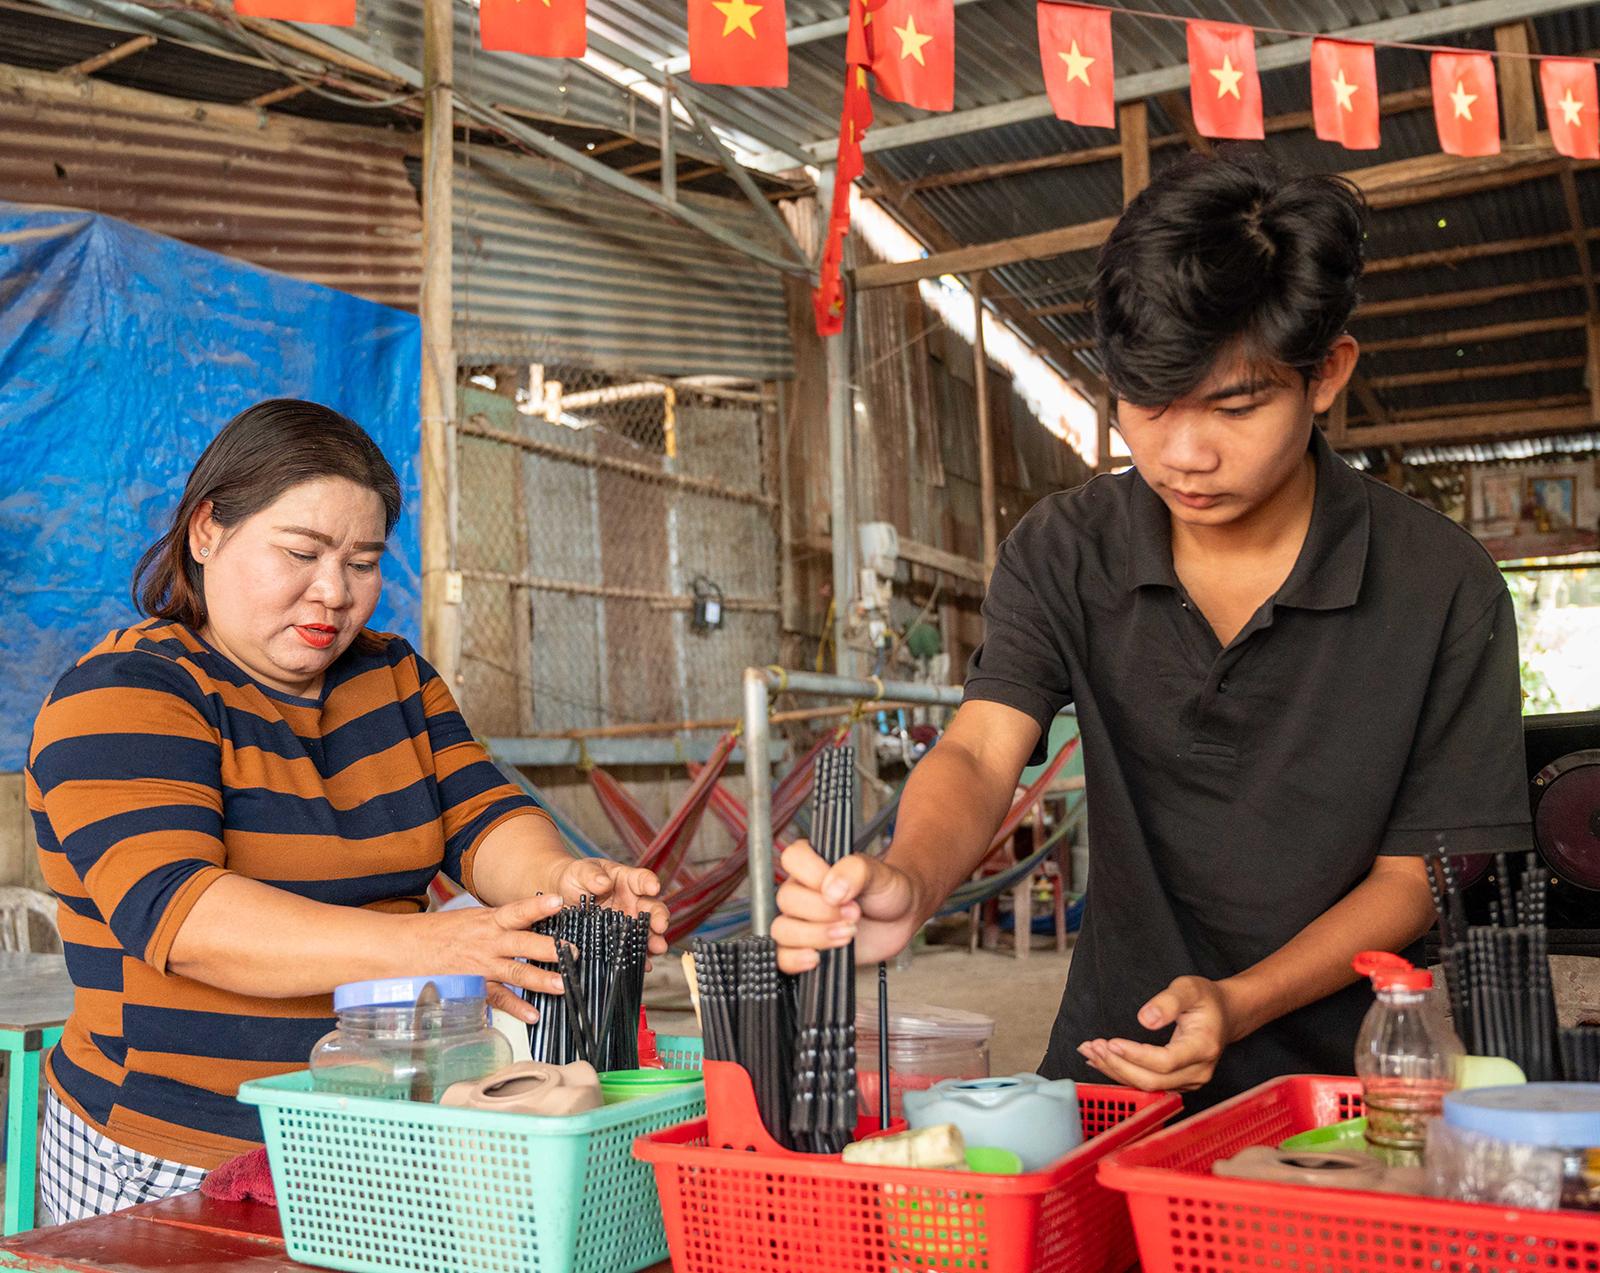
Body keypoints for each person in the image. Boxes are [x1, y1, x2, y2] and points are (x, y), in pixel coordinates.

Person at [771, 150, 1530, 1109]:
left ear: (1326, 374)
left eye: (1235, 405)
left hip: (1346, 1099)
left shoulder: (1442, 585)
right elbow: (979, 749)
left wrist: (1239, 1002)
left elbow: (1416, 875)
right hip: (1112, 1070)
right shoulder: (1066, 549)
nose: (1183, 453)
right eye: (1147, 401)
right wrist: (910, 879)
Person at [26, 400, 667, 1222]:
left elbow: (483, 815)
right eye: (301, 552)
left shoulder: (393, 679)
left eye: (362, 562)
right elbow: (187, 918)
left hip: (374, 1128)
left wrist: (562, 879)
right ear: (207, 531)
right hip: (171, 1151)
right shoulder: (126, 693)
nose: (333, 591)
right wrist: (435, 946)